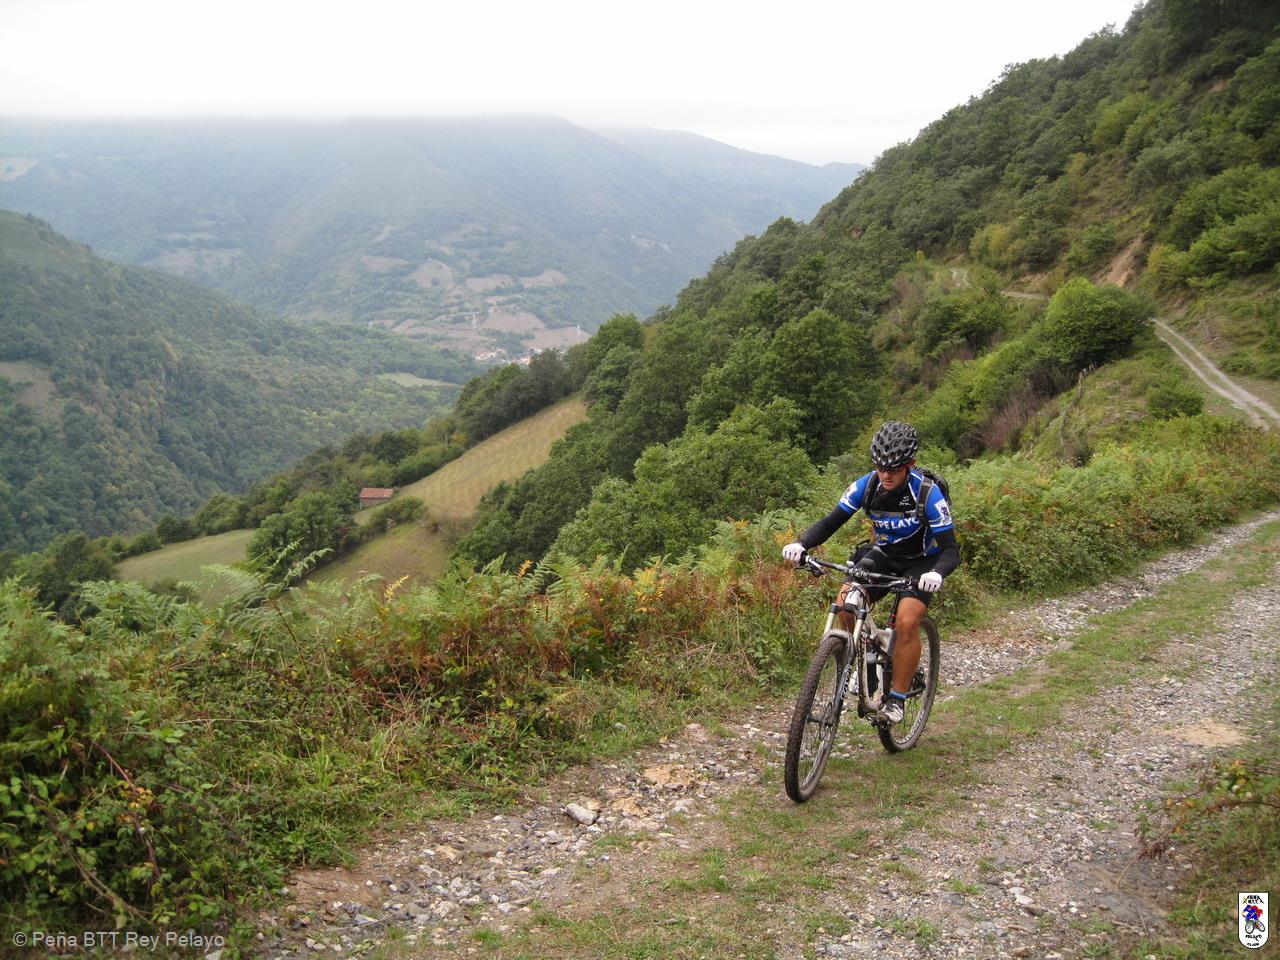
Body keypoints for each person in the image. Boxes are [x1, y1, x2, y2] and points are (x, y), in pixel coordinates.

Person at [782, 421, 960, 724]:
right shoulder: (867, 486)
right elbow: (831, 521)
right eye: (880, 467)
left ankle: (897, 698)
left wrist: (938, 574)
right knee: (845, 602)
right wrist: (802, 543)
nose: (886, 475)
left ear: (911, 464)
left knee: (907, 620)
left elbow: (951, 551)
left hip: (922, 563)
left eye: (894, 469)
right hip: (885, 555)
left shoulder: (927, 494)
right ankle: (865, 659)